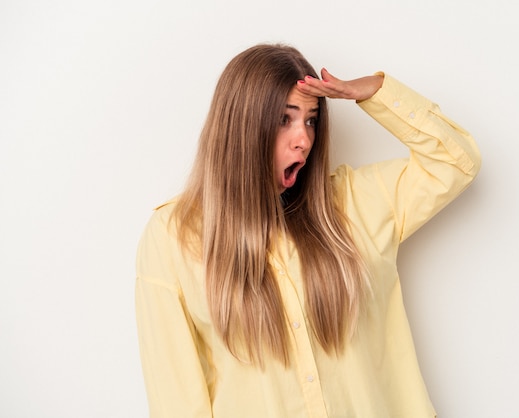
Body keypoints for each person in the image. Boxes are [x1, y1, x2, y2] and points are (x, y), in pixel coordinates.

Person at [135, 43, 481, 418]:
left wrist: (375, 92)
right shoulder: (173, 236)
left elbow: (455, 162)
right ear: (241, 125)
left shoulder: (355, 204)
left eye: (311, 120)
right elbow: (177, 403)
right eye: (286, 119)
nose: (304, 139)